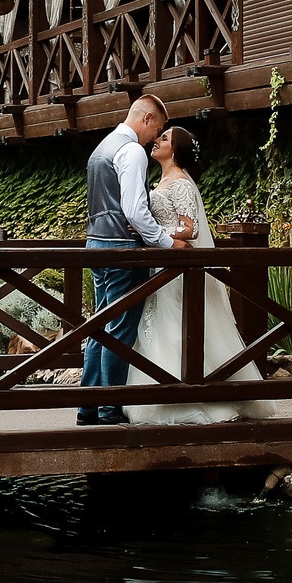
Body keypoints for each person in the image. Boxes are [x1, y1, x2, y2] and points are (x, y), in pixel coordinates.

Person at [124, 125, 273, 425]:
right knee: (161, 325)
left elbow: (189, 229)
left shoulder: (180, 183)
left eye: (164, 138)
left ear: (175, 150)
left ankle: (192, 396)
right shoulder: (163, 180)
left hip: (179, 269)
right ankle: (163, 393)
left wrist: (154, 234)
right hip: (162, 266)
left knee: (178, 324)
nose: (156, 140)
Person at [78, 95, 186, 425]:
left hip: (96, 243)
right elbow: (135, 210)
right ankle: (110, 409)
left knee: (100, 326)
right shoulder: (132, 151)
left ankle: (88, 408)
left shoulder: (102, 148)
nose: (156, 136)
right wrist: (168, 242)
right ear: (148, 118)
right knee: (119, 330)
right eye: (159, 128)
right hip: (123, 250)